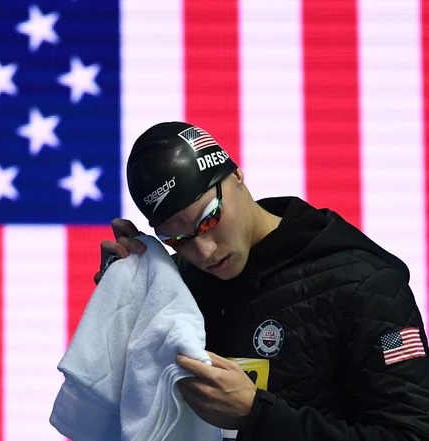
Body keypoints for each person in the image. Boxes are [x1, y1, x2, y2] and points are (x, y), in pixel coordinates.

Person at [94, 121, 429, 440]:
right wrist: (128, 301)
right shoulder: (177, 286)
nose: (205, 252)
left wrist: (260, 416)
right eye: (178, 239)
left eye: (209, 219)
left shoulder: (368, 288)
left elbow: (411, 434)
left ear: (237, 174)